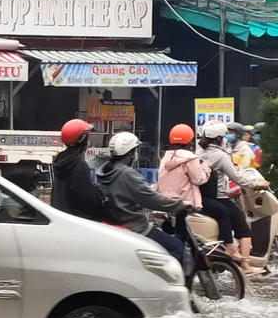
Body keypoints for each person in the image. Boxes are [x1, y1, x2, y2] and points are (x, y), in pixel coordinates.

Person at [94, 131, 187, 265]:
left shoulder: (105, 172)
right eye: (135, 151)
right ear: (131, 153)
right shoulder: (127, 174)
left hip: (116, 225)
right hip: (135, 227)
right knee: (178, 247)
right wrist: (179, 205)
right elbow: (150, 199)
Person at [197, 121, 266, 276]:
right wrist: (256, 183)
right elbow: (237, 177)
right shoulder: (221, 156)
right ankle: (246, 266)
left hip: (201, 197)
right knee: (244, 229)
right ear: (220, 138)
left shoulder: (199, 152)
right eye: (225, 136)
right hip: (219, 197)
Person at [51, 118, 112, 221]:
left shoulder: (61, 160)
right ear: (82, 139)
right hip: (77, 222)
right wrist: (101, 194)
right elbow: (88, 200)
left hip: (62, 217)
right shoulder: (79, 164)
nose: (88, 141)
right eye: (87, 137)